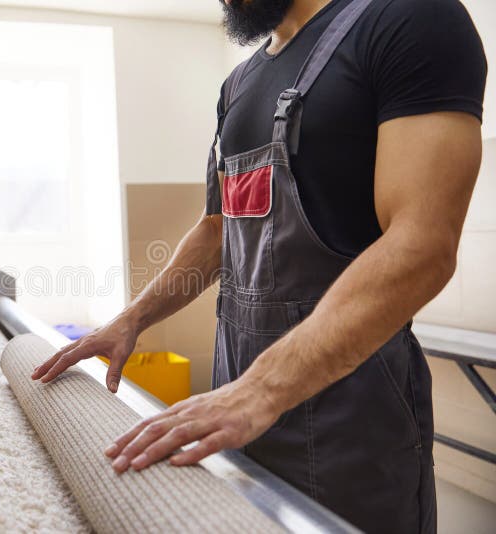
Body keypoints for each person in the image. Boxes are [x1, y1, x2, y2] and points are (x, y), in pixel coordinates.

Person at [32, 0, 486, 531]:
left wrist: (261, 390)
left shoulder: (409, 20)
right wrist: (131, 320)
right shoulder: (238, 85)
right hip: (238, 395)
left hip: (351, 417)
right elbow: (216, 229)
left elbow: (423, 245)